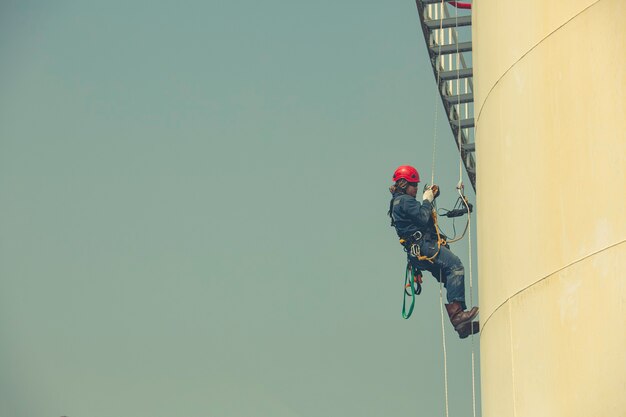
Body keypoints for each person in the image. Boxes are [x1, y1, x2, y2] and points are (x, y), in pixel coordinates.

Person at [388, 165, 478, 339]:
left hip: (417, 253)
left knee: (449, 277)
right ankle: (458, 316)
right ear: (404, 184)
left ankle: (462, 325)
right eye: (414, 185)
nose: (415, 189)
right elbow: (422, 218)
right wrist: (427, 200)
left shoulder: (397, 203)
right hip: (423, 247)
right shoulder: (405, 201)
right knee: (455, 267)